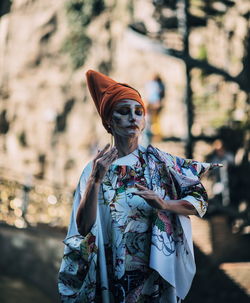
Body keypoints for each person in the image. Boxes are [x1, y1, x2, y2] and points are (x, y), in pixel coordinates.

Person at [58, 70, 221, 303]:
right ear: (108, 121)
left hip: (153, 270)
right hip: (111, 270)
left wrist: (165, 204)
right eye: (123, 112)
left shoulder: (160, 162)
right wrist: (95, 180)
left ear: (144, 121)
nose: (133, 117)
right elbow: (83, 228)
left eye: (138, 112)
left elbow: (200, 199)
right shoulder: (94, 169)